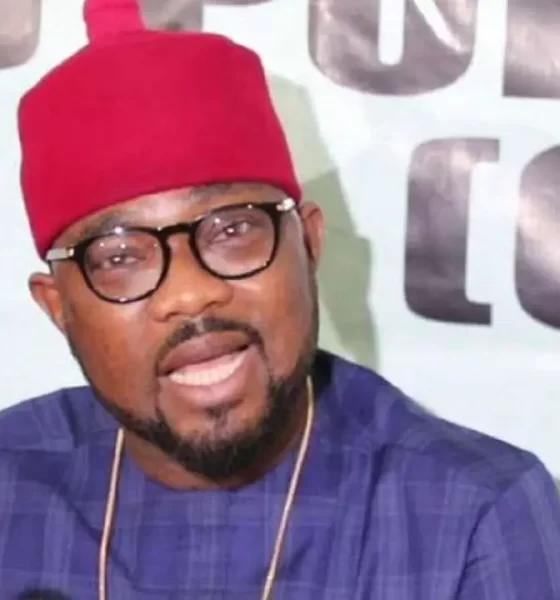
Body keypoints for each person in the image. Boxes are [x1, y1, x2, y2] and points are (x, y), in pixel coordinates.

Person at [1, 0, 560, 598]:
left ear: (309, 243)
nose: (191, 293)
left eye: (232, 230)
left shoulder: (471, 516)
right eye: (118, 258)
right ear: (58, 309)